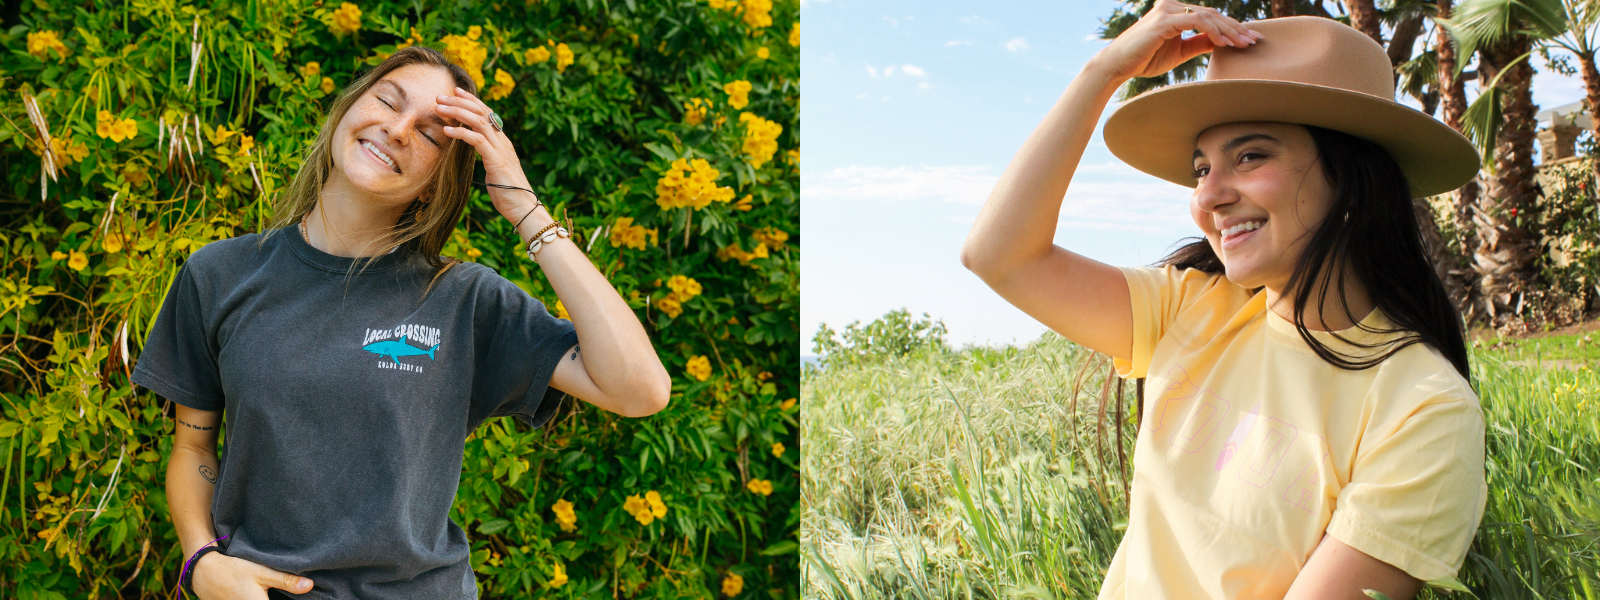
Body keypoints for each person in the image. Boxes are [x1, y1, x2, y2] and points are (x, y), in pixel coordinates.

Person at [960, 4, 1486, 599]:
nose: (1207, 196)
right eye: (1200, 168)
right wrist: (1102, 71)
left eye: (1251, 156)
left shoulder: (1423, 407)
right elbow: (998, 256)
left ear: (1351, 178)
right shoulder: (1193, 308)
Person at [131, 46, 671, 600]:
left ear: (438, 183)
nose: (398, 128)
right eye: (387, 101)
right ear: (346, 111)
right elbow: (193, 447)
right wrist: (201, 562)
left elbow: (640, 389)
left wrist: (525, 209)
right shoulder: (220, 273)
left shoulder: (463, 300)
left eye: (432, 135)